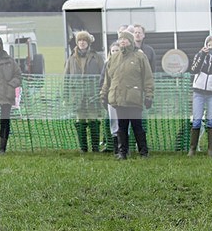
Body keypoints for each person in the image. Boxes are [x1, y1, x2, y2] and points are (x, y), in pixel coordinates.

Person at [100, 30, 154, 159]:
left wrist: (149, 95)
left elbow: (148, 78)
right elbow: (107, 79)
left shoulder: (140, 57)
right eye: (121, 39)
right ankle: (122, 152)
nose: (122, 41)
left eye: (125, 39)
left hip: (133, 98)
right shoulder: (113, 58)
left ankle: (143, 152)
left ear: (131, 41)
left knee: (137, 126)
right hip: (118, 98)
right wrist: (103, 94)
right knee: (121, 127)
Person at [63, 30, 105, 153]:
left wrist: (102, 93)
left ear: (88, 42)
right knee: (80, 120)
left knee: (93, 121)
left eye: (84, 40)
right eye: (80, 40)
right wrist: (66, 96)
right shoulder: (71, 58)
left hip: (93, 95)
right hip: (77, 96)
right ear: (77, 42)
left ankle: (95, 147)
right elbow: (66, 78)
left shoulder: (97, 57)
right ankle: (83, 147)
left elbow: (103, 76)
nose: (82, 43)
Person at [188, 34, 212, 157]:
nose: (210, 47)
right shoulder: (199, 56)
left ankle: (211, 149)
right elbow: (193, 70)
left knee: (211, 121)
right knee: (196, 120)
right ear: (205, 45)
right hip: (198, 92)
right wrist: (201, 55)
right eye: (208, 45)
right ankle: (192, 149)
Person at [102, 42, 121, 153]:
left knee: (123, 123)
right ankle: (115, 148)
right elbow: (104, 81)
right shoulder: (107, 64)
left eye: (116, 50)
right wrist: (103, 94)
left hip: (123, 98)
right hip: (111, 97)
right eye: (112, 51)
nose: (114, 53)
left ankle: (124, 147)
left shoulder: (124, 64)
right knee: (113, 122)